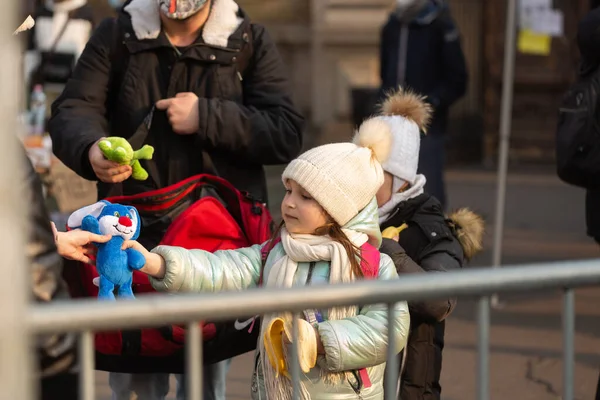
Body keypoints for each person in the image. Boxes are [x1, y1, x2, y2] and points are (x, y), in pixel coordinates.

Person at [48, 0, 304, 398]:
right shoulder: (118, 34)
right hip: (130, 233)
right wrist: (92, 149)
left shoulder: (247, 39)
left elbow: (285, 131)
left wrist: (208, 116)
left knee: (204, 378)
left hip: (216, 242)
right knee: (135, 374)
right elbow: (74, 109)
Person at [120, 126, 411, 399]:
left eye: (306, 196)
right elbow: (220, 269)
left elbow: (389, 328)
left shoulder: (373, 266)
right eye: (288, 190)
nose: (289, 203)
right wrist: (157, 263)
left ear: (340, 209)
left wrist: (321, 341)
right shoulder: (274, 252)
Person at [372, 88, 483, 399]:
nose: (364, 180)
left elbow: (438, 301)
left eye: (376, 172)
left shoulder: (431, 229)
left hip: (408, 385)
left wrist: (389, 252)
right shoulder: (352, 215)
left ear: (400, 179)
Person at [379, 0, 467, 209]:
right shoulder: (393, 25)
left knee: (429, 192)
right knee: (390, 191)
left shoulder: (441, 25)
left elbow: (458, 79)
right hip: (391, 123)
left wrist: (432, 103)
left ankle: (433, 238)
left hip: (428, 126)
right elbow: (386, 71)